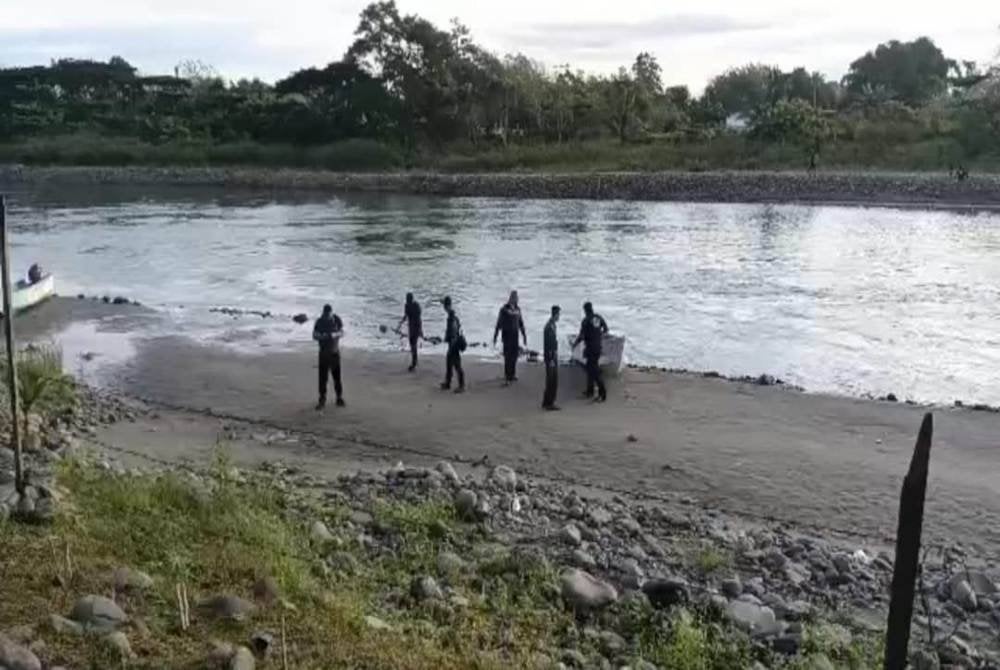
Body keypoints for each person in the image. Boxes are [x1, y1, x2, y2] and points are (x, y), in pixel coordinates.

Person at [573, 302, 608, 402]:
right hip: (598, 347)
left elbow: (581, 336)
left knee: (594, 371)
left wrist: (575, 344)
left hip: (590, 348)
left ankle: (602, 393)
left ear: (585, 310)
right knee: (590, 368)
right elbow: (606, 329)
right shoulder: (598, 317)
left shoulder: (586, 320)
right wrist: (598, 335)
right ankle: (590, 390)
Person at [313, 304, 345, 409]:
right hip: (323, 353)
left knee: (337, 377)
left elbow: (342, 332)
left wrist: (334, 335)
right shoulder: (320, 321)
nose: (326, 316)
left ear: (331, 312)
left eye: (328, 314)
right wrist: (322, 336)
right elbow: (314, 335)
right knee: (323, 378)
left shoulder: (336, 319)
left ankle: (339, 397)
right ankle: (322, 399)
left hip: (334, 352)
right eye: (325, 314)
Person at [493, 290, 527, 385]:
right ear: (510, 298)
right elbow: (499, 323)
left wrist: (524, 336)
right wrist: (495, 336)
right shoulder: (504, 309)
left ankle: (513, 373)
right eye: (514, 297)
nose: (516, 299)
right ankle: (507, 375)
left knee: (514, 355)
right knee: (508, 356)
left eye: (516, 297)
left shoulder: (518, 309)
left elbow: (521, 323)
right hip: (507, 336)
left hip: (515, 336)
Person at [441, 296, 465, 393]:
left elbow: (454, 330)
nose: (443, 308)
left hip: (454, 343)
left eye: (444, 305)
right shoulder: (453, 315)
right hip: (453, 342)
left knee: (456, 364)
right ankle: (448, 383)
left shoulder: (451, 317)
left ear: (446, 306)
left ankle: (461, 385)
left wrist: (452, 343)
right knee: (449, 363)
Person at [542, 305, 561, 411]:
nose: (559, 317)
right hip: (551, 357)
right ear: (555, 314)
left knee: (551, 380)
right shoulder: (549, 327)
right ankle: (549, 402)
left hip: (552, 356)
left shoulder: (552, 325)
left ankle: (546, 401)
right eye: (558, 314)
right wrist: (552, 359)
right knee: (552, 381)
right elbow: (549, 344)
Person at [397, 292, 423, 371]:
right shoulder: (411, 305)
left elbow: (417, 318)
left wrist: (420, 330)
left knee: (413, 344)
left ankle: (414, 363)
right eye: (407, 299)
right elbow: (406, 316)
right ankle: (414, 361)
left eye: (408, 299)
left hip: (415, 327)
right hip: (412, 327)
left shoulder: (414, 306)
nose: (407, 300)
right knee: (412, 344)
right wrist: (400, 323)